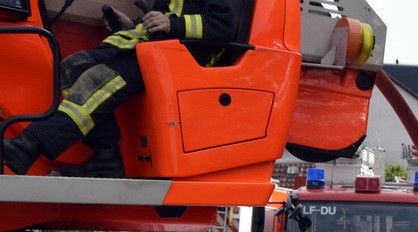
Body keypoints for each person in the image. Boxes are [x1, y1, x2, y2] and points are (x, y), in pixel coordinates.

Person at [1, 0, 242, 178]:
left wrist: (171, 24)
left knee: (98, 80)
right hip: (152, 48)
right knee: (71, 68)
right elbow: (159, 20)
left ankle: (28, 145)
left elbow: (223, 27)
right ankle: (105, 157)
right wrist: (131, 24)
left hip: (178, 56)